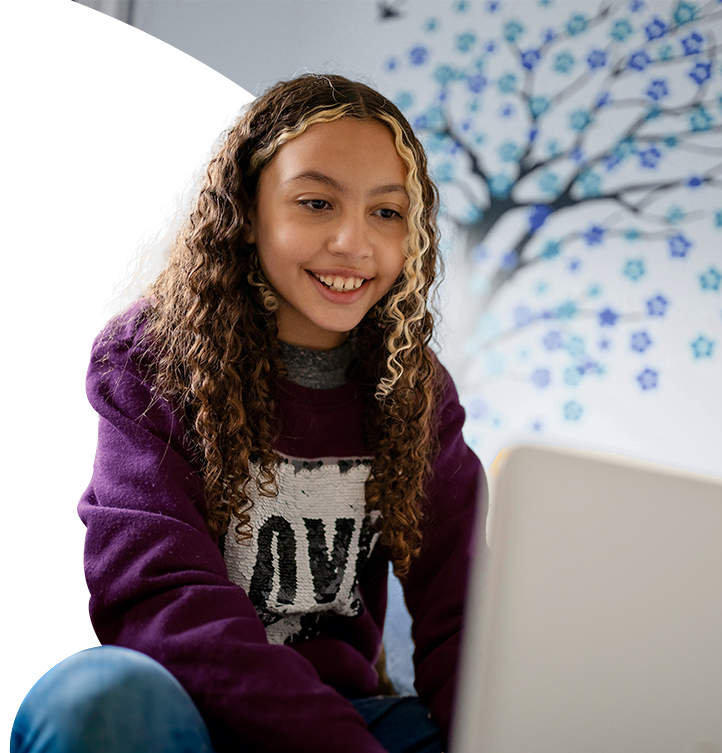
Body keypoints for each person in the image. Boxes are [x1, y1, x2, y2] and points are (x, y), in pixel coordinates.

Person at [12, 73, 484, 753]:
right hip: (186, 716)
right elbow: (159, 594)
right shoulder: (150, 359)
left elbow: (463, 617)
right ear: (247, 209)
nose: (353, 241)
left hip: (344, 713)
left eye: (387, 212)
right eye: (317, 203)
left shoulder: (415, 389)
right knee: (93, 701)